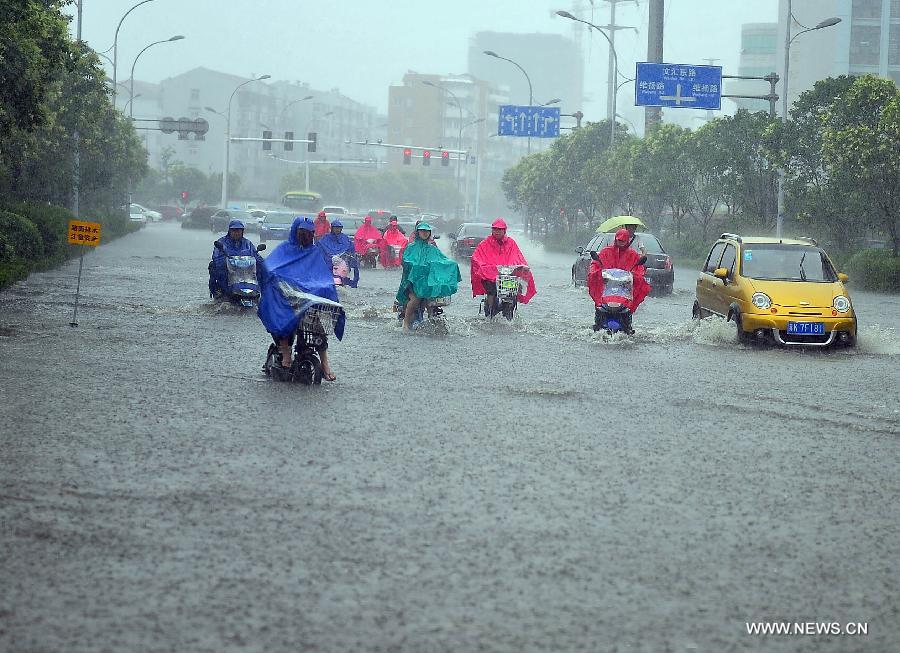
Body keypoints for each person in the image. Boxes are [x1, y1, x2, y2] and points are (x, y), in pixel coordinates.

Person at [257, 217, 343, 381]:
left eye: (310, 233)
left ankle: (325, 362)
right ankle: (285, 351)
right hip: (287, 299)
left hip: (307, 299)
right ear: (295, 232)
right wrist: (279, 280)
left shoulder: (314, 252)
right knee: (282, 315)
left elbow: (321, 275)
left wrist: (324, 287)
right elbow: (270, 267)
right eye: (302, 232)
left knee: (318, 324)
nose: (306, 236)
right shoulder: (284, 249)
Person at [395, 222, 461, 332]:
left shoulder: (432, 249)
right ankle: (406, 323)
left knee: (432, 301)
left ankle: (432, 320)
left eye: (427, 231)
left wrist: (452, 264)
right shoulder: (411, 247)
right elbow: (405, 260)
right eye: (422, 231)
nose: (424, 233)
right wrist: (415, 267)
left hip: (427, 283)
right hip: (412, 283)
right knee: (415, 300)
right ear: (418, 232)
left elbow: (442, 260)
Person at [470, 218, 537, 316]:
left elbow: (518, 258)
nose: (497, 231)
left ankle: (510, 312)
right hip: (490, 278)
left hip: (508, 278)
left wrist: (522, 268)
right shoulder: (485, 244)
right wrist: (485, 268)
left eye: (499, 229)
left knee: (513, 294)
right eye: (495, 229)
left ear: (504, 230)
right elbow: (476, 258)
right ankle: (489, 310)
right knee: (491, 293)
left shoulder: (511, 243)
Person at [587, 228, 650, 312]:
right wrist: (596, 272)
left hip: (624, 292)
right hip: (606, 290)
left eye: (623, 241)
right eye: (619, 240)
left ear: (627, 241)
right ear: (615, 239)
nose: (621, 243)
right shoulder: (606, 251)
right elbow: (595, 264)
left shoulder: (633, 255)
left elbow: (639, 269)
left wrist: (635, 276)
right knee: (600, 308)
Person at [208, 219, 263, 298]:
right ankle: (218, 291)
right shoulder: (222, 242)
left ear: (242, 231)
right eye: (234, 230)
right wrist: (225, 260)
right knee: (213, 266)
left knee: (261, 269)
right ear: (230, 231)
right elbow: (217, 256)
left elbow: (255, 255)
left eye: (238, 230)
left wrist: (264, 264)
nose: (236, 232)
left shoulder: (248, 243)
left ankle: (260, 290)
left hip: (246, 270)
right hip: (229, 269)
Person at [316, 220, 359, 287]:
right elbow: (320, 246)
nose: (337, 230)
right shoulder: (326, 237)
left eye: (339, 228)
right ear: (332, 228)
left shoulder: (345, 238)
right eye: (336, 228)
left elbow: (350, 248)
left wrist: (350, 257)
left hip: (342, 261)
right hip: (328, 261)